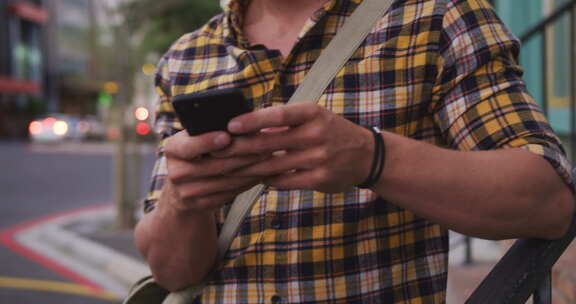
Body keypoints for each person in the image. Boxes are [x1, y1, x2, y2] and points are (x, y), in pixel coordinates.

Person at [134, 0, 575, 302]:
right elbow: (175, 273)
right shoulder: (187, 57)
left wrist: (372, 157)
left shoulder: (438, 16)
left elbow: (548, 200)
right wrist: (182, 199)